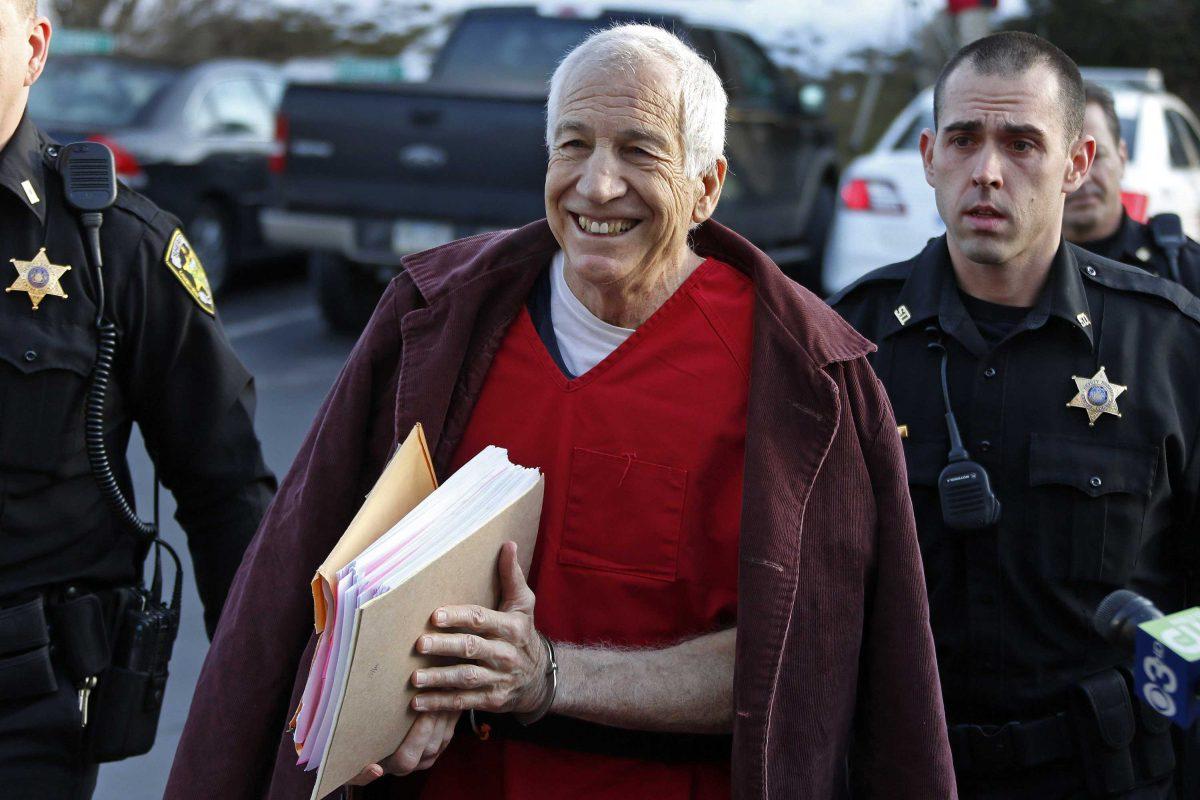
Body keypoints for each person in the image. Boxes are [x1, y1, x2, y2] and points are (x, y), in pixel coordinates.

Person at [167, 23, 956, 800]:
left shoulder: (805, 377)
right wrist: (381, 704)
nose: (597, 185)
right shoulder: (437, 321)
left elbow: (805, 658)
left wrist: (549, 675)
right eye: (573, 145)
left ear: (707, 186)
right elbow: (302, 584)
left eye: (639, 150)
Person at [831, 31, 1200, 799]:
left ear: (1076, 165)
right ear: (930, 156)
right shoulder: (850, 344)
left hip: (1107, 775)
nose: (988, 172)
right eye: (964, 140)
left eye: (1022, 144)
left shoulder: (1167, 347)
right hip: (903, 771)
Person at [0, 3, 276, 798]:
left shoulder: (116, 245)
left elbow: (227, 493)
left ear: (34, 47)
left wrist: (266, 708)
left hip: (23, 712)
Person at [1063, 81, 1200, 293]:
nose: (1084, 177)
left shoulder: (1182, 267)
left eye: (1096, 157)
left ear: (1122, 157)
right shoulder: (1015, 277)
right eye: (1072, 160)